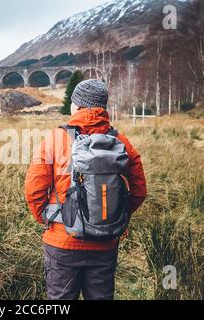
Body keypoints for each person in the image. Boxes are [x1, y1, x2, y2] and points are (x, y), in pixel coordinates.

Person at [25, 79, 147, 300]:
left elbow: (34, 189)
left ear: (77, 106)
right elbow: (139, 191)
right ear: (103, 107)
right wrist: (114, 216)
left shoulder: (55, 138)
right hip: (105, 243)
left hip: (62, 241)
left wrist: (47, 219)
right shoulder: (120, 141)